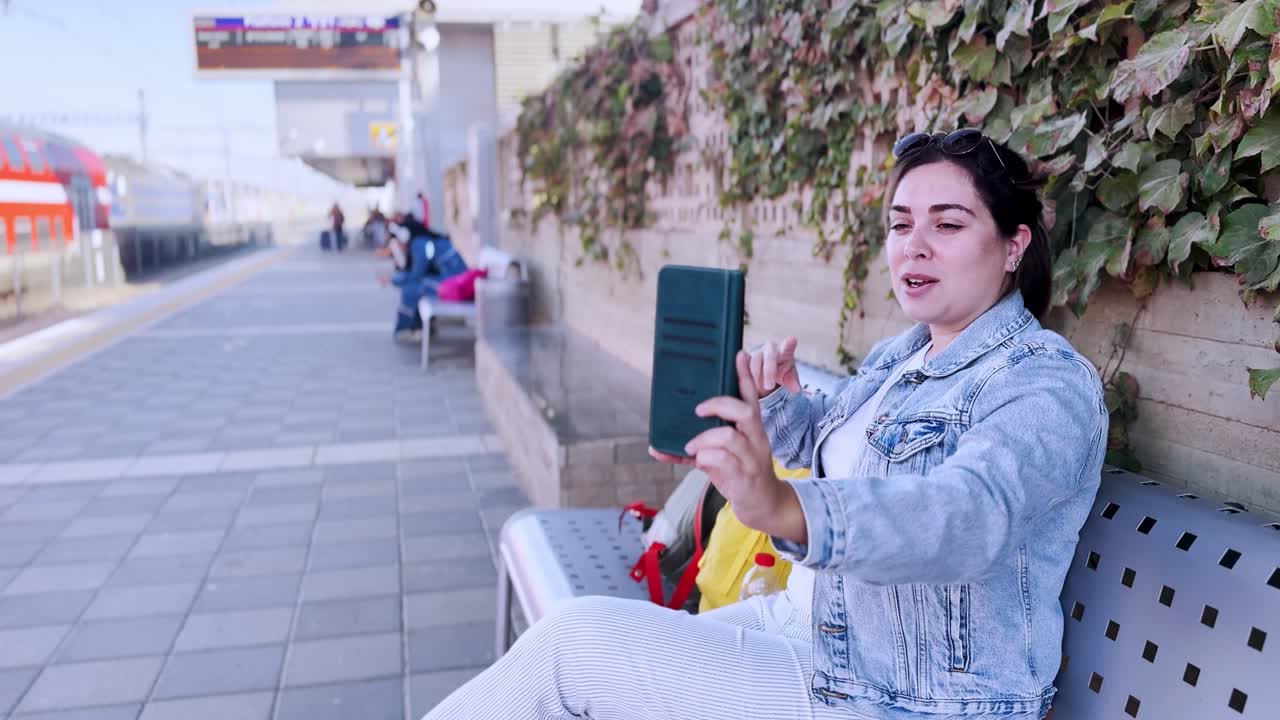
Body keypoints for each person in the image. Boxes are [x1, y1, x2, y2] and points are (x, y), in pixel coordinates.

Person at [422, 129, 1108, 720]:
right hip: (812, 629)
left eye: (948, 225)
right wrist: (775, 411)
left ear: (1015, 245)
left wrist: (781, 504)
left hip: (898, 694)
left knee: (571, 647)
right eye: (901, 224)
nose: (913, 247)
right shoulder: (903, 354)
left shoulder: (1044, 382)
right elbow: (847, 456)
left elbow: (966, 516)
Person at [383, 219, 468, 340]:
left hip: (456, 283)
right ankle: (422, 327)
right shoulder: (424, 242)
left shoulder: (421, 244)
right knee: (416, 286)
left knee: (411, 289)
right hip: (455, 281)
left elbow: (417, 274)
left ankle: (406, 329)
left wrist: (395, 280)